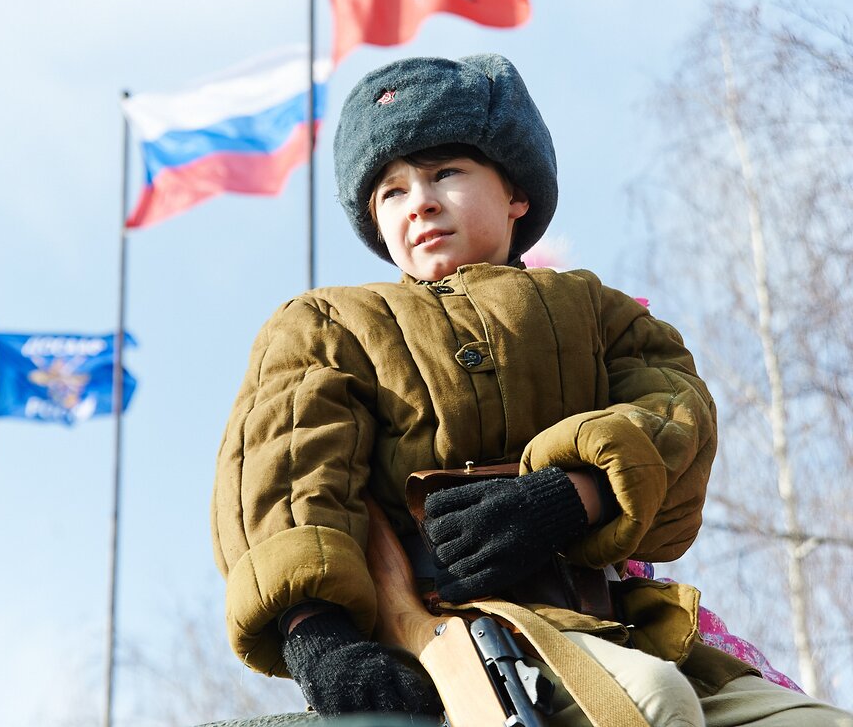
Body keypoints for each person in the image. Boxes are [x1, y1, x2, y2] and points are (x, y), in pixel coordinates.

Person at [210, 54, 853, 726]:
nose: (419, 200)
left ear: (515, 192)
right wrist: (317, 634)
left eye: (445, 173)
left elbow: (676, 412)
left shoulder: (596, 308)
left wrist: (574, 494)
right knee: (652, 702)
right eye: (391, 192)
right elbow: (285, 474)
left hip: (625, 620)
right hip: (462, 635)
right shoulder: (327, 323)